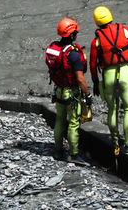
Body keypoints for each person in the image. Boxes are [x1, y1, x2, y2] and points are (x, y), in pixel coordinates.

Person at [89, 6, 128, 153]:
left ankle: (115, 141)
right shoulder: (126, 31)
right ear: (110, 17)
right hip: (126, 72)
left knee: (112, 110)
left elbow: (93, 64)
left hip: (108, 76)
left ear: (96, 21)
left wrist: (95, 82)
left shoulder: (96, 41)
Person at [45, 18, 92, 166]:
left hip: (58, 91)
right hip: (71, 93)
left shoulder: (53, 49)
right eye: (76, 32)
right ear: (72, 35)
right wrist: (87, 94)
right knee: (73, 123)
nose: (77, 35)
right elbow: (80, 79)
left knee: (59, 120)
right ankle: (73, 154)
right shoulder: (73, 55)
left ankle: (58, 150)